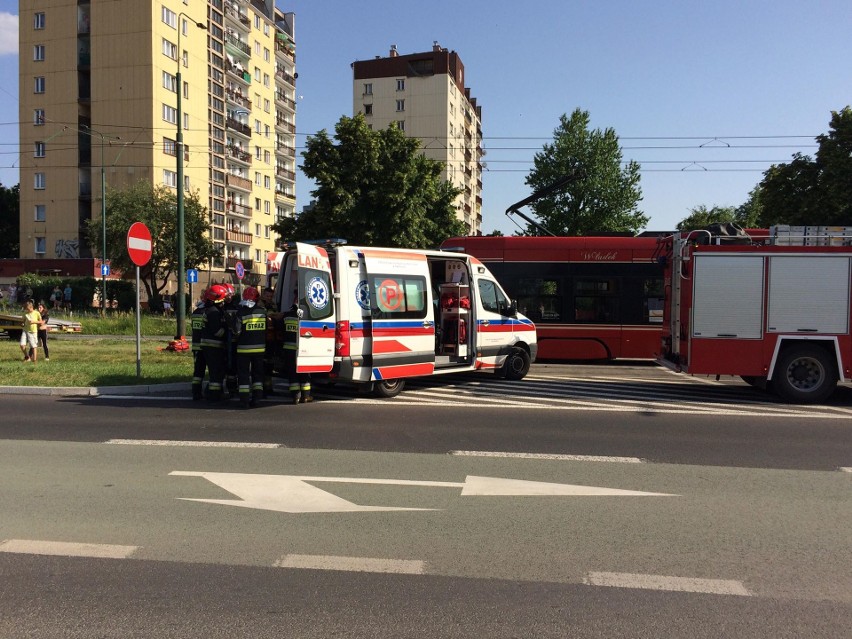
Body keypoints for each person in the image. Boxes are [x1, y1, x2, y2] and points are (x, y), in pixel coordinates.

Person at [234, 287, 267, 408]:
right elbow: (266, 330)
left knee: (243, 374)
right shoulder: (263, 312)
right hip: (260, 349)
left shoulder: (241, 312)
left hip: (243, 349)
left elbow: (236, 331)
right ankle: (257, 398)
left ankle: (244, 400)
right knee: (257, 374)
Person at [200, 285, 229, 402]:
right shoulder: (214, 312)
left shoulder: (212, 310)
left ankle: (213, 392)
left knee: (216, 371)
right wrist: (228, 331)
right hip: (213, 347)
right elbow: (217, 332)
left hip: (211, 347)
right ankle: (214, 395)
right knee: (216, 372)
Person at [283, 298, 311, 404]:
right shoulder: (307, 317)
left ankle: (295, 396)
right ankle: (305, 396)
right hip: (303, 349)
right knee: (305, 372)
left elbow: (282, 330)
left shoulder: (287, 316)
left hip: (289, 349)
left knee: (292, 373)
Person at [189, 294, 208, 400]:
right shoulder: (208, 313)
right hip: (207, 346)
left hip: (196, 347)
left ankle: (196, 392)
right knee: (214, 370)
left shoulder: (195, 312)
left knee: (198, 371)